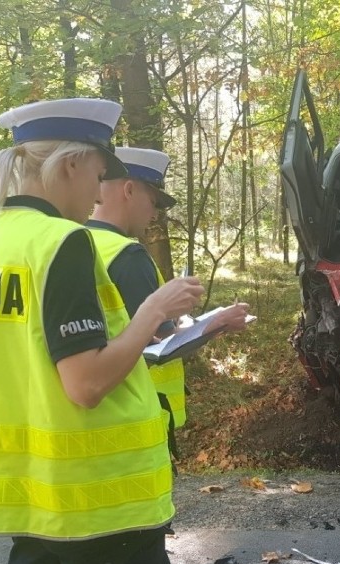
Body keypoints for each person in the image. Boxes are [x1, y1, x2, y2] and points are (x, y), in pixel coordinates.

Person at [0, 98, 205, 564]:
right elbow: (86, 383)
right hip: (101, 506)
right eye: (97, 173)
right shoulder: (61, 242)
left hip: (35, 499)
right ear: (71, 164)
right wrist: (153, 313)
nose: (98, 192)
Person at [87, 147, 249, 441]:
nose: (155, 214)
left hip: (98, 416)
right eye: (153, 201)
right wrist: (216, 324)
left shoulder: (75, 242)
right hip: (139, 409)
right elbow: (155, 346)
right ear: (128, 190)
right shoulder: (129, 256)